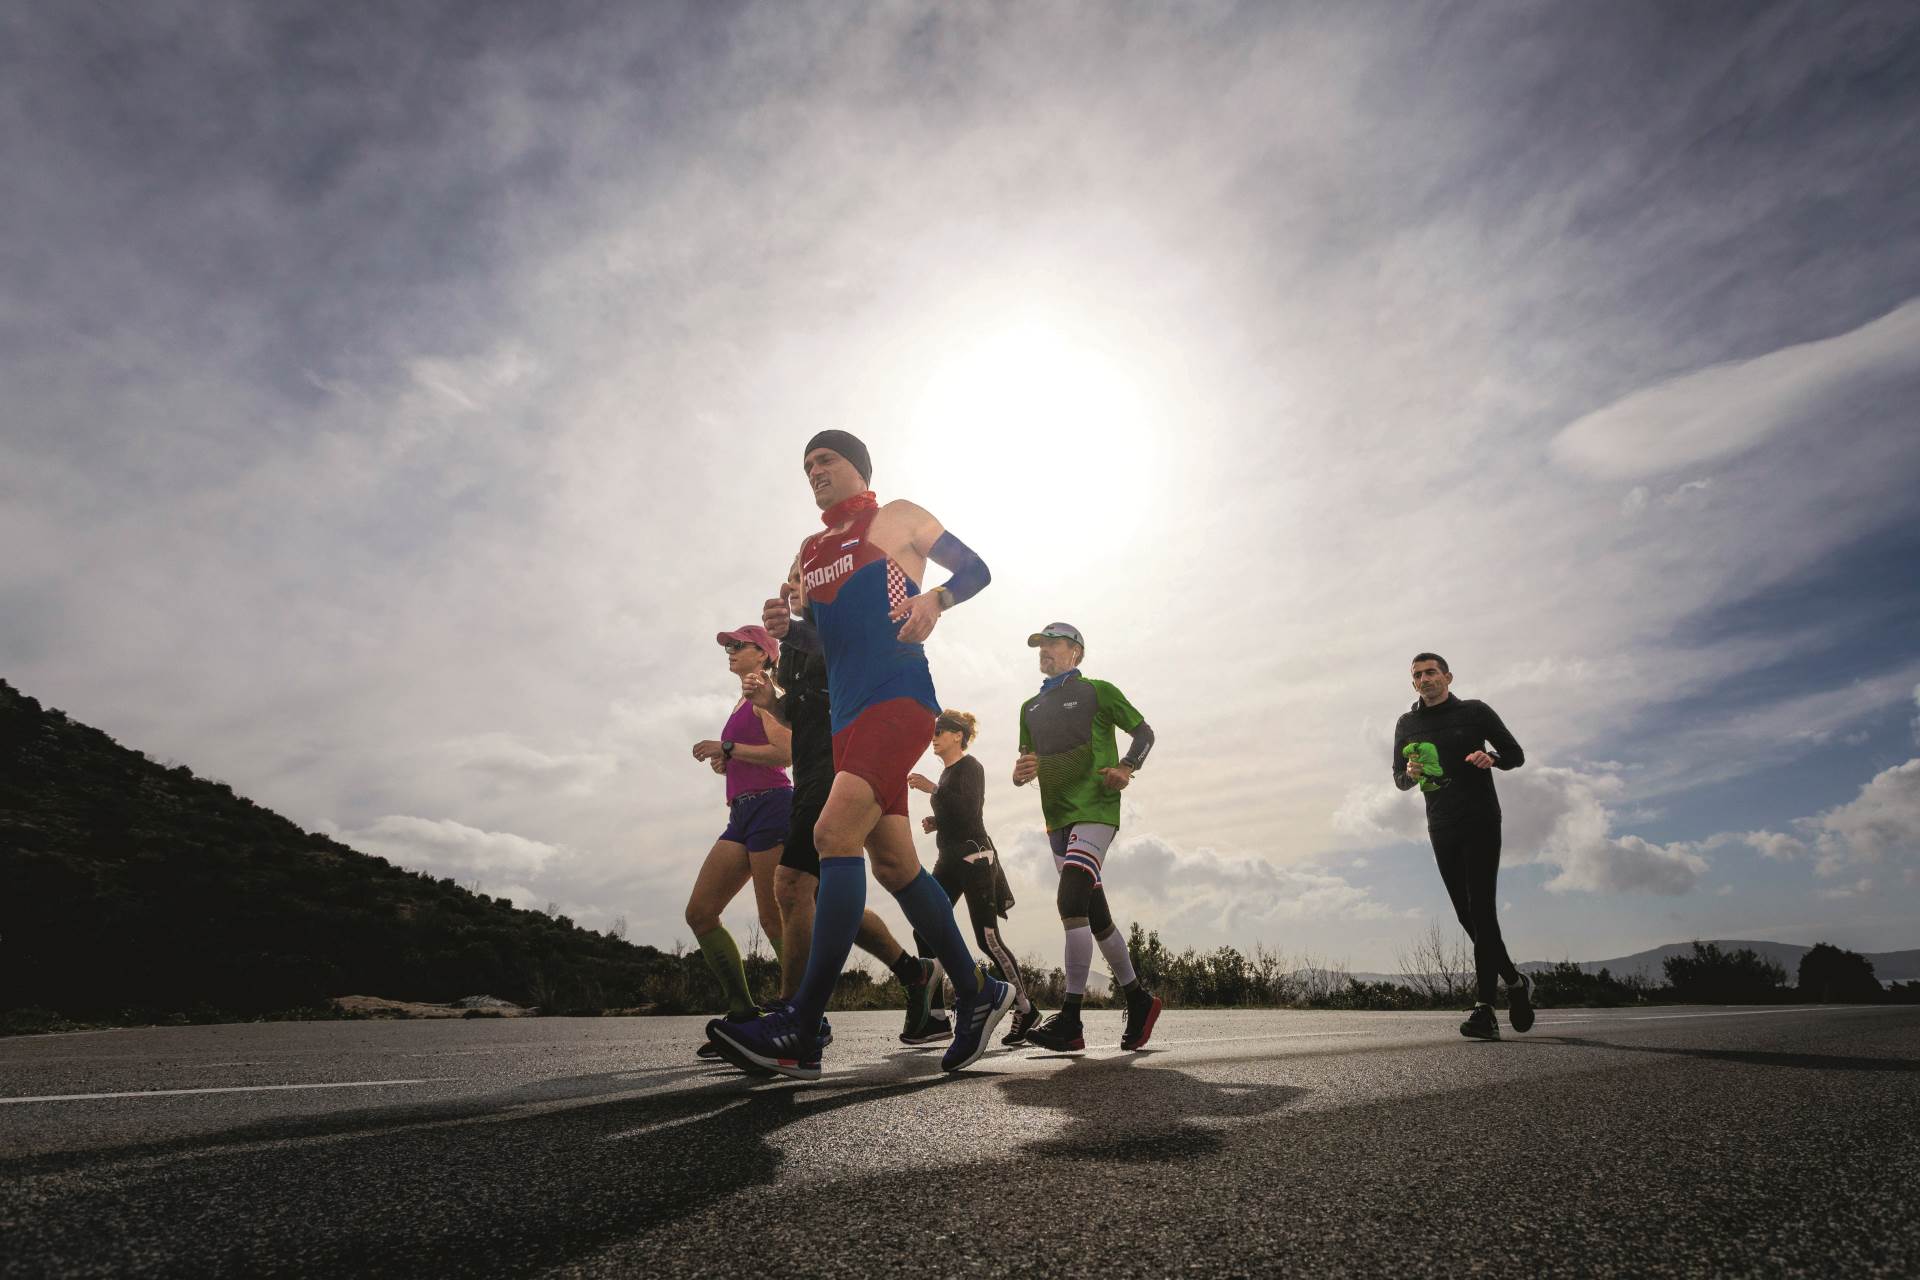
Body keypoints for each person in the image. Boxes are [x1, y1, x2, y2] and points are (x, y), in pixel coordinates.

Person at [706, 430, 1012, 1079]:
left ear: (857, 468)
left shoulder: (896, 517)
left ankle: (802, 1023)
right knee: (898, 867)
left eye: (827, 460)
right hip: (844, 719)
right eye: (807, 464)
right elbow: (828, 644)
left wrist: (937, 598)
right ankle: (978, 993)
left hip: (898, 696)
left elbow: (976, 568)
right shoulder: (811, 551)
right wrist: (793, 632)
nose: (815, 470)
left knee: (831, 831)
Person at [746, 566, 940, 1046]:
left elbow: (853, 665)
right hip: (811, 766)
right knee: (861, 884)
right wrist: (773, 701)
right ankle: (917, 974)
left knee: (792, 886)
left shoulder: (844, 620)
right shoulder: (794, 644)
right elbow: (805, 706)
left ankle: (798, 1015)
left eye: (802, 573)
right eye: (789, 574)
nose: (794, 581)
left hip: (847, 761)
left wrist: (797, 629)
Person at [1012, 622, 1162, 1053]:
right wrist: (1021, 773)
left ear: (1076, 652)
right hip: (1055, 820)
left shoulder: (1099, 690)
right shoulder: (1030, 708)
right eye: (1040, 646)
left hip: (1096, 808)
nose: (1045, 652)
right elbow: (1027, 762)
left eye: (1053, 644)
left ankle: (1071, 1019)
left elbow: (1145, 734)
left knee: (1070, 898)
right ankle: (1138, 999)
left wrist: (1128, 767)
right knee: (1095, 916)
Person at [1393, 652, 1535, 1040]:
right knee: (1464, 914)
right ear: (1413, 683)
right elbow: (1399, 780)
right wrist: (1409, 773)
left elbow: (1515, 755)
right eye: (1418, 675)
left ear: (1448, 677)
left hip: (1481, 819)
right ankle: (1515, 981)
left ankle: (1484, 1008)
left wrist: (1490, 758)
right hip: (1440, 824)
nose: (1425, 679)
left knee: (1482, 910)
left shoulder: (1475, 712)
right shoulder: (1407, 723)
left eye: (1432, 672)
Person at [685, 625, 792, 1055]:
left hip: (772, 807)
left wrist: (727, 747)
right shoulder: (740, 700)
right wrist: (726, 761)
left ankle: (800, 1014)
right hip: (741, 813)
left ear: (764, 654)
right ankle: (743, 1015)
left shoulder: (767, 692)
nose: (729, 651)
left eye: (737, 645)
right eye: (727, 646)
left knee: (773, 917)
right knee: (701, 912)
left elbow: (785, 755)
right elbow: (748, 753)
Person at [907, 710, 1042, 1046]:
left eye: (940, 732)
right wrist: (936, 821)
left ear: (958, 735)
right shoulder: (949, 774)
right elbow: (957, 813)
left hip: (975, 860)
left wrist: (931, 789)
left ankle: (1026, 1009)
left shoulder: (971, 767)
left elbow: (970, 810)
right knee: (925, 925)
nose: (934, 737)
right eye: (933, 732)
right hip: (948, 861)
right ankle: (936, 1017)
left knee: (988, 940)